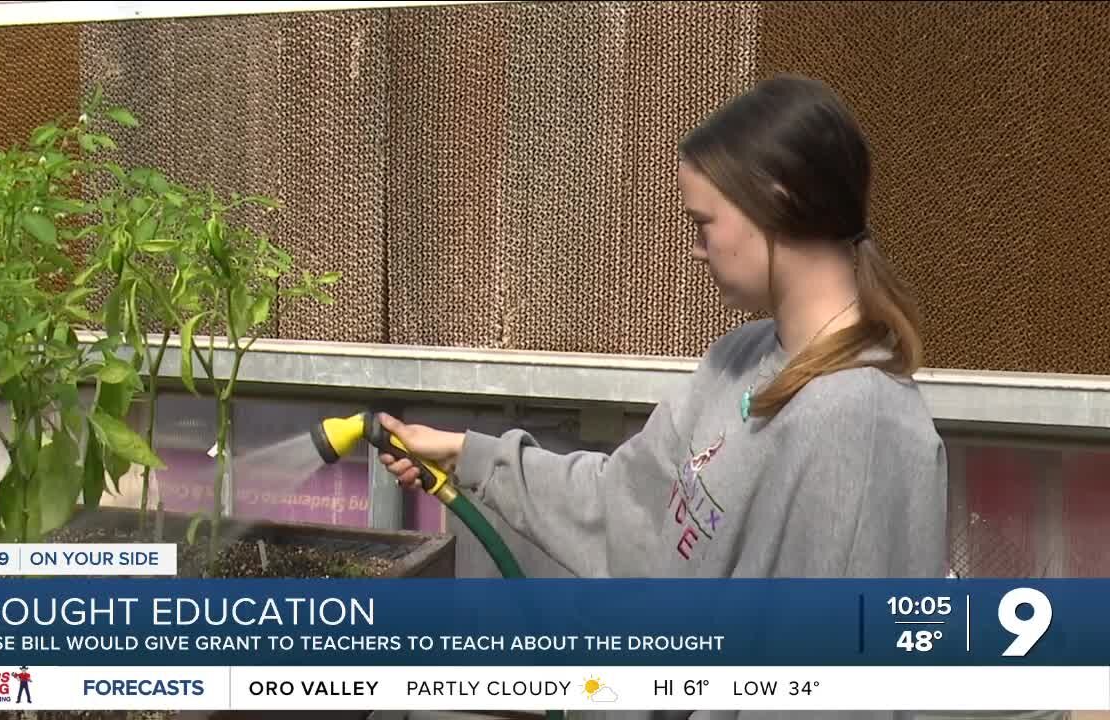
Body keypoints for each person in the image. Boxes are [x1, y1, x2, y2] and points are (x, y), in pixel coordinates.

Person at [376, 74, 947, 719]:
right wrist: (468, 456)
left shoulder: (857, 422)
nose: (696, 247)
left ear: (778, 202)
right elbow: (630, 503)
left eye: (704, 223)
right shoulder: (741, 359)